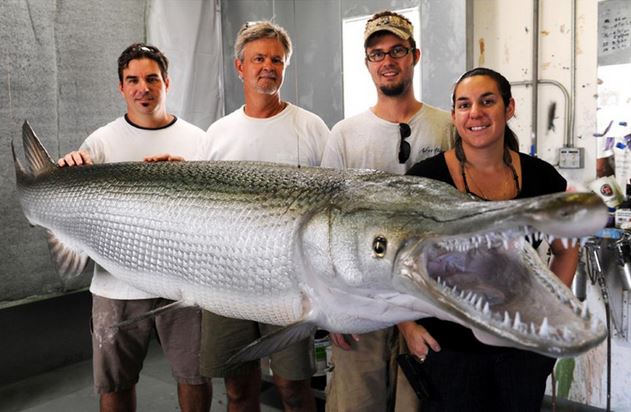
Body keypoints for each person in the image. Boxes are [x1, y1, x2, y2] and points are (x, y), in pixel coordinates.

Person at [406, 67, 579, 411]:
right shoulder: (426, 180)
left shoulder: (541, 177)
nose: (475, 113)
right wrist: (407, 325)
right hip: (448, 347)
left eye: (487, 101)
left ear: (509, 108)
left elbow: (566, 250)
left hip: (521, 346)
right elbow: (394, 261)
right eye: (464, 105)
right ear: (454, 115)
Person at [57, 43, 212, 412]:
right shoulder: (100, 141)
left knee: (194, 375)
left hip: (183, 284)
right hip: (115, 286)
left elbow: (211, 215)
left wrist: (187, 177)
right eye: (133, 80)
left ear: (167, 83)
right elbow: (81, 211)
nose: (143, 87)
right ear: (121, 88)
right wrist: (67, 173)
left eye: (151, 78)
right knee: (115, 381)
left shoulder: (199, 140)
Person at [321, 11, 454, 412]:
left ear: (415, 55)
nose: (387, 60)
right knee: (354, 401)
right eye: (376, 53)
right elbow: (327, 226)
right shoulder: (344, 135)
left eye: (397, 50)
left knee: (419, 402)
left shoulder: (446, 127)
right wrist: (332, 308)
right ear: (367, 64)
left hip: (427, 299)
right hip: (362, 300)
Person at [199, 21, 329, 412]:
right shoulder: (218, 134)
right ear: (240, 67)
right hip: (228, 280)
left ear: (286, 66)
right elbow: (204, 209)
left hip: (289, 281)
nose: (267, 67)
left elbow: (329, 208)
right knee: (238, 389)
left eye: (277, 59)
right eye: (258, 58)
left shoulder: (311, 128)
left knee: (293, 387)